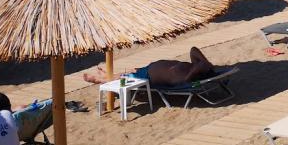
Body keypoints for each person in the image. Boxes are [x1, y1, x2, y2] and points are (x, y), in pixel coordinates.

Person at [83, 47, 216, 88]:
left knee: (126, 76)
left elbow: (198, 67)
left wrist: (204, 65)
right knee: (131, 71)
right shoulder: (194, 69)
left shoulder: (187, 78)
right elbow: (193, 50)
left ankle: (101, 80)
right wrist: (206, 66)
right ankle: (106, 75)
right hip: (148, 69)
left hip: (147, 77)